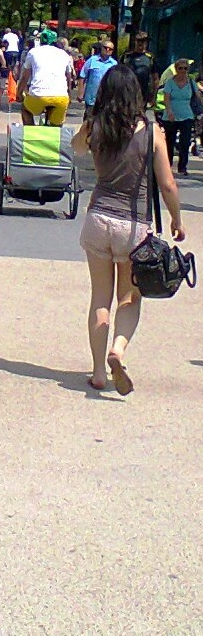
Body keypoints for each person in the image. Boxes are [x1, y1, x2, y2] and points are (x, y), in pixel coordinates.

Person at [73, 65, 184, 395]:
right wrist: (176, 220)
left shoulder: (95, 126)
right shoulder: (151, 132)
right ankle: (118, 350)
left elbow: (76, 147)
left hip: (98, 219)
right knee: (130, 295)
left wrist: (89, 123)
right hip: (133, 225)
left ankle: (97, 372)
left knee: (100, 298)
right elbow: (167, 184)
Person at [16, 29, 73, 125]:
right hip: (61, 97)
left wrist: (19, 93)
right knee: (56, 124)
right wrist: (69, 95)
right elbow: (68, 77)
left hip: (38, 95)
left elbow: (25, 77)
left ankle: (31, 131)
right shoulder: (64, 54)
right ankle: (55, 130)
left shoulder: (33, 52)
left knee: (26, 110)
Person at [162, 58, 197, 176]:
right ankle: (168, 166)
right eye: (180, 68)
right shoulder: (170, 82)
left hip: (187, 115)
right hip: (171, 116)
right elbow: (166, 98)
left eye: (185, 68)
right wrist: (169, 111)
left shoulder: (191, 82)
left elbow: (197, 98)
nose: (182, 70)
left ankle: (182, 167)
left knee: (185, 142)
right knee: (169, 142)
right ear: (176, 69)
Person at [77, 37, 116, 119]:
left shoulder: (114, 64)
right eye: (105, 47)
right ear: (101, 48)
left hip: (106, 100)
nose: (107, 50)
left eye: (110, 49)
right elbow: (82, 76)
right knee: (89, 120)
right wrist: (80, 93)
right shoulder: (92, 60)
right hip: (92, 98)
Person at [123, 31, 158, 108]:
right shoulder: (127, 56)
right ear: (135, 41)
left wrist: (154, 97)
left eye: (144, 41)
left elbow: (155, 79)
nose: (141, 43)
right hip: (127, 92)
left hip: (143, 93)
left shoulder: (150, 58)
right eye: (139, 40)